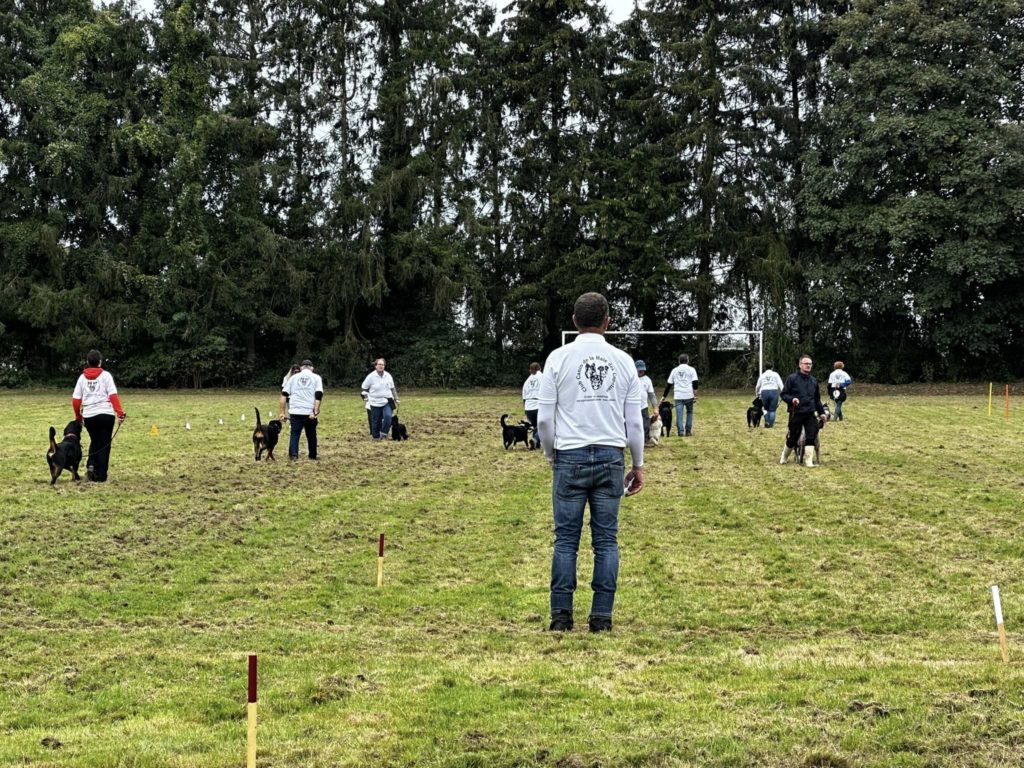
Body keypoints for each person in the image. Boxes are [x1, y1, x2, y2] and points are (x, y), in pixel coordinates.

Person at [537, 292, 645, 633]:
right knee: (606, 541)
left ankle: (561, 616)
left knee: (566, 540)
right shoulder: (624, 361)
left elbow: (543, 420)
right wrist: (638, 464)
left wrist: (551, 453)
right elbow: (635, 423)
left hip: (570, 456)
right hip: (611, 456)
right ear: (607, 322)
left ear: (574, 321)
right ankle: (601, 617)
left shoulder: (557, 358)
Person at [72, 349, 126, 482]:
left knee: (95, 440)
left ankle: (91, 466)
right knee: (104, 444)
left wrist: (78, 416)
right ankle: (101, 475)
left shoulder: (81, 378)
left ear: (87, 362)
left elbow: (76, 400)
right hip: (106, 414)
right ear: (100, 362)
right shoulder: (106, 376)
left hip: (89, 416)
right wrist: (120, 413)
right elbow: (113, 395)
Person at [780, 354, 827, 467]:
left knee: (811, 435)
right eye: (806, 364)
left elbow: (817, 400)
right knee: (793, 437)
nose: (808, 366)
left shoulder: (814, 381)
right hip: (796, 412)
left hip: (810, 413)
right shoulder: (792, 378)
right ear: (800, 365)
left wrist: (821, 413)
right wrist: (792, 400)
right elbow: (784, 394)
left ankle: (808, 461)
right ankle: (784, 456)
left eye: (810, 364)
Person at [279, 359, 323, 460]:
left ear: (301, 368)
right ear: (312, 368)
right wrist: (315, 411)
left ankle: (293, 455)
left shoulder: (293, 378)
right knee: (311, 435)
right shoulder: (317, 378)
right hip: (309, 412)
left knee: (294, 434)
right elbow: (318, 395)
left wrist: (282, 413)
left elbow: (284, 395)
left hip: (295, 411)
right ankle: (312, 455)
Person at [361, 358, 399, 440]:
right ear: (375, 366)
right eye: (379, 364)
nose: (381, 366)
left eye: (383, 365)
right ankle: (376, 437)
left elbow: (392, 388)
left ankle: (384, 433)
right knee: (376, 421)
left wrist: (396, 398)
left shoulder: (388, 376)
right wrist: (366, 397)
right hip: (375, 402)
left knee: (388, 417)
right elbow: (364, 388)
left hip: (387, 401)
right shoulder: (371, 377)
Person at [662, 354, 699, 436]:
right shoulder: (691, 369)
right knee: (689, 412)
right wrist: (695, 394)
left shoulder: (674, 370)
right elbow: (695, 383)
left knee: (679, 414)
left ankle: (680, 432)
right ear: (688, 360)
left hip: (678, 396)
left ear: (679, 361)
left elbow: (668, 385)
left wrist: (664, 396)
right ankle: (688, 431)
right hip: (689, 395)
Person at [755, 363, 785, 428]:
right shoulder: (775, 374)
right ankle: (771, 425)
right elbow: (781, 385)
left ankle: (767, 422)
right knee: (772, 410)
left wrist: (757, 393)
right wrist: (783, 393)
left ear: (765, 368)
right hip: (774, 392)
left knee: (765, 409)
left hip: (764, 392)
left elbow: (757, 386)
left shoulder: (762, 375)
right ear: (772, 368)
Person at [635, 360, 658, 443]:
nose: (641, 371)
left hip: (643, 407)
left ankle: (644, 441)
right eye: (639, 370)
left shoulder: (647, 380)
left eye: (643, 370)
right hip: (632, 407)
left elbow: (652, 395)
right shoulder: (630, 378)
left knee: (645, 425)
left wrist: (655, 408)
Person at [521, 362, 544, 449]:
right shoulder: (542, 377)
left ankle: (536, 444)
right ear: (539, 369)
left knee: (535, 426)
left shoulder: (527, 381)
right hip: (538, 405)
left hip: (528, 406)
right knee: (542, 426)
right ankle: (535, 440)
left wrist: (525, 409)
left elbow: (524, 395)